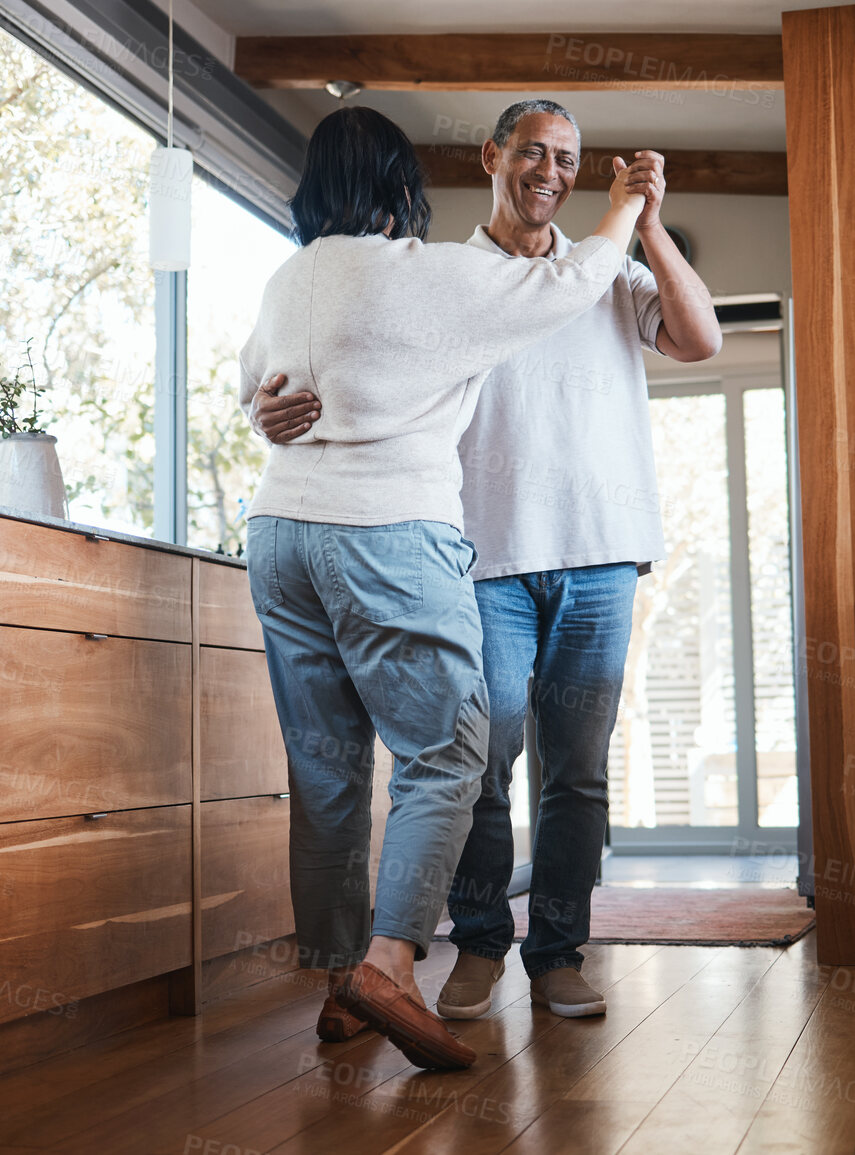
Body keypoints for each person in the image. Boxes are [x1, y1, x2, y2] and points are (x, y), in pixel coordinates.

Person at [253, 99, 720, 1024]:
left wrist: (649, 226)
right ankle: (471, 944)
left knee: (572, 773)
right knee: (479, 765)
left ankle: (554, 953)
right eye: (533, 152)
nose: (550, 170)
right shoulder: (445, 272)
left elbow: (701, 338)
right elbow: (286, 374)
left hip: (596, 554)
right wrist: (264, 408)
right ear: (491, 156)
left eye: (568, 159)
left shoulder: (610, 278)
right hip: (479, 558)